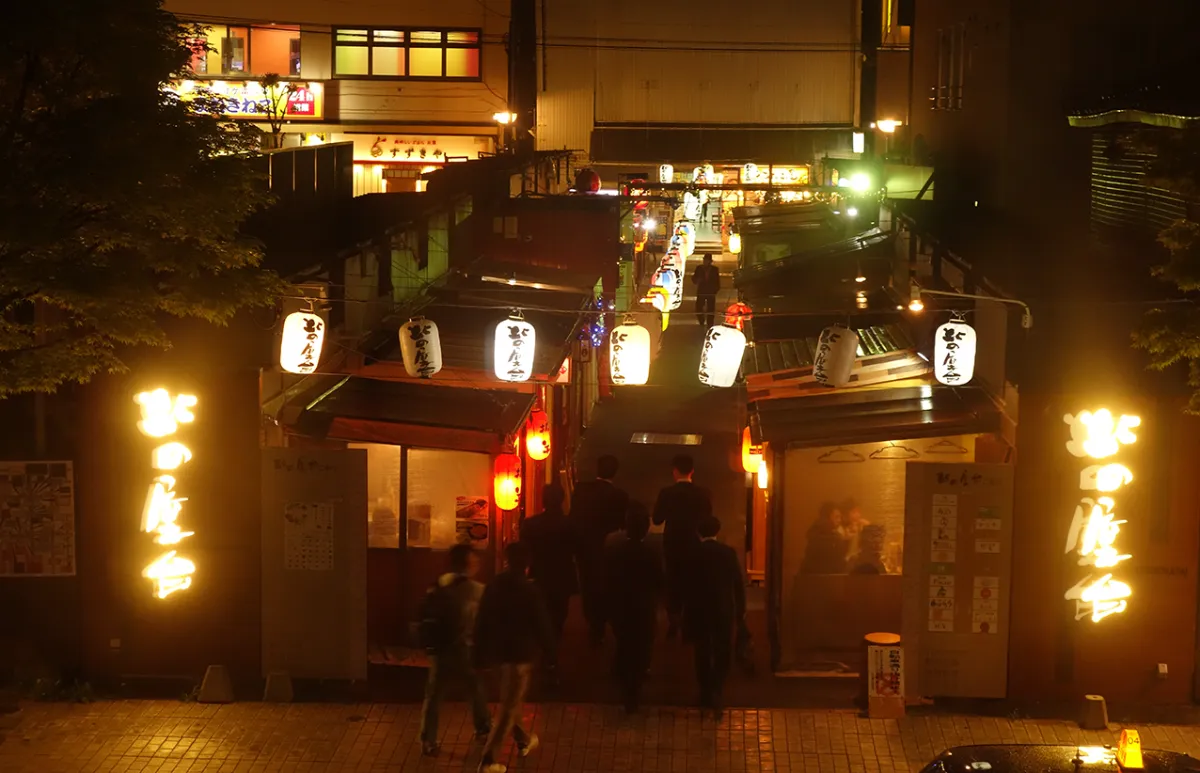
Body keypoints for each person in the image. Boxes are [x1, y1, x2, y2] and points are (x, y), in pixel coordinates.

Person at [474, 542, 555, 773]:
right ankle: (488, 760)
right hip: (520, 655)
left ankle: (523, 739)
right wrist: (551, 655)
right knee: (509, 706)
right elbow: (541, 625)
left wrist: (479, 654)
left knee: (511, 700)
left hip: (498, 654)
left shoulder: (495, 585)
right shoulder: (530, 590)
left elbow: (482, 620)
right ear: (527, 564)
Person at [418, 545, 490, 758]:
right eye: (474, 561)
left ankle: (428, 740)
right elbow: (481, 621)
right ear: (469, 564)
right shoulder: (476, 589)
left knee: (433, 695)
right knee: (475, 687)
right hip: (464, 648)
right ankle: (483, 729)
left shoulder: (438, 584)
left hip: (440, 649)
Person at [683, 515, 746, 719]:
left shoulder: (692, 553)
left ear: (698, 532)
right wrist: (740, 609)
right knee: (722, 648)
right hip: (722, 607)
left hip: (699, 608)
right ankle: (717, 687)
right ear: (717, 531)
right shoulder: (727, 553)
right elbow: (737, 582)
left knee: (702, 649)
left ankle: (704, 689)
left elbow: (684, 583)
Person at [604, 503, 663, 713]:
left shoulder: (615, 550)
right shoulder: (652, 552)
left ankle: (625, 683)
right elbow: (660, 580)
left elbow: (607, 579)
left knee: (624, 642)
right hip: (644, 607)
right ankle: (635, 688)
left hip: (621, 606)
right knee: (642, 645)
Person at [571, 455, 630, 646]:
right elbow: (621, 525)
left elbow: (574, 517)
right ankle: (601, 623)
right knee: (605, 585)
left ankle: (592, 622)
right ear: (615, 473)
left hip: (584, 547)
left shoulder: (580, 490)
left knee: (588, 584)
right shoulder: (619, 496)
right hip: (607, 548)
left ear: (597, 470)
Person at [652, 454, 712, 637]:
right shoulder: (703, 494)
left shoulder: (666, 493)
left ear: (675, 471)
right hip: (695, 542)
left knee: (673, 581)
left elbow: (657, 519)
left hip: (673, 542)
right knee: (693, 581)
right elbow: (708, 519)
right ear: (692, 471)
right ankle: (691, 623)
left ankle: (674, 621)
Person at [520, 482, 578, 641]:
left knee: (540, 612)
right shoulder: (570, 524)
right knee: (559, 615)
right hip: (563, 575)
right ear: (562, 500)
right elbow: (577, 549)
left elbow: (524, 549)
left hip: (539, 574)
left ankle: (544, 649)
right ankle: (553, 651)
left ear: (543, 500)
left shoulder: (531, 524)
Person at [692, 254, 720, 328]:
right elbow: (694, 279)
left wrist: (715, 290)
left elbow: (717, 281)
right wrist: (698, 280)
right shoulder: (699, 268)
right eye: (704, 260)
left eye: (707, 260)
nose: (705, 262)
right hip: (701, 291)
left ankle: (710, 323)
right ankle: (701, 320)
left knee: (711, 308)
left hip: (711, 291)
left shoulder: (714, 269)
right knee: (699, 307)